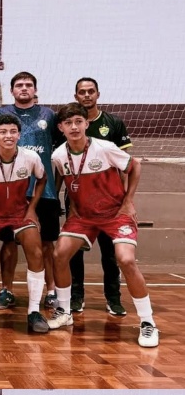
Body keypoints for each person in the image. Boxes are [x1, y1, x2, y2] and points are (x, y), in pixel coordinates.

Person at [49, 103, 159, 347]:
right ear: (61, 127)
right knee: (59, 254)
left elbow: (135, 166)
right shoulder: (58, 155)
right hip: (83, 217)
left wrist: (128, 201)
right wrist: (74, 209)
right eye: (68, 123)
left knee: (126, 260)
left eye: (79, 121)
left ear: (87, 123)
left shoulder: (106, 148)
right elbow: (71, 184)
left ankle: (148, 322)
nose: (74, 127)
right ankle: (64, 311)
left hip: (115, 213)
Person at [0, 113, 50, 334]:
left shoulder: (30, 157)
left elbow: (42, 179)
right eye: (3, 132)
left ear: (19, 135)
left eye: (13, 131)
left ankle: (34, 311)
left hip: (19, 214)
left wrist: (32, 208)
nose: (8, 136)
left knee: (36, 251)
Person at [0, 72, 61, 310]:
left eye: (28, 85)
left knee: (46, 243)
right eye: (19, 85)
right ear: (11, 90)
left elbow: (60, 153)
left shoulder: (49, 115)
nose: (24, 88)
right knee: (8, 242)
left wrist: (57, 186)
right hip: (9, 191)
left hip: (45, 191)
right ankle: (6, 290)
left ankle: (51, 291)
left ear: (35, 89)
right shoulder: (0, 115)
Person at [70, 78, 132, 316]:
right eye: (82, 92)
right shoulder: (71, 124)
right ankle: (76, 297)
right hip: (79, 201)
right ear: (76, 96)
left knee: (110, 253)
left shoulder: (113, 124)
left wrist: (126, 200)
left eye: (91, 91)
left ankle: (114, 299)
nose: (87, 95)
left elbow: (127, 166)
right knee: (74, 250)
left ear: (98, 94)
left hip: (110, 203)